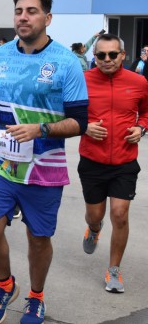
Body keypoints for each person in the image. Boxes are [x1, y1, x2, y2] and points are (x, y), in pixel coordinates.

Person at [0, 0, 88, 324]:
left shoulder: (66, 63)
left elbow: (79, 121)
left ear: (47, 18)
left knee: (38, 238)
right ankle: (6, 285)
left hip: (44, 166)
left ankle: (36, 295)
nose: (23, 16)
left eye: (32, 11)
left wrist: (41, 129)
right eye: (19, 11)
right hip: (1, 162)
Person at [78, 33, 148, 294]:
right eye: (100, 55)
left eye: (112, 55)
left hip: (124, 161)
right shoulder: (82, 81)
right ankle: (94, 229)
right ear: (94, 57)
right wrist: (85, 127)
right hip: (92, 161)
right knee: (95, 215)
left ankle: (114, 270)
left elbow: (147, 112)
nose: (106, 60)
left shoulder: (139, 82)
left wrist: (141, 128)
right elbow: (67, 112)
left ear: (123, 55)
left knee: (120, 214)